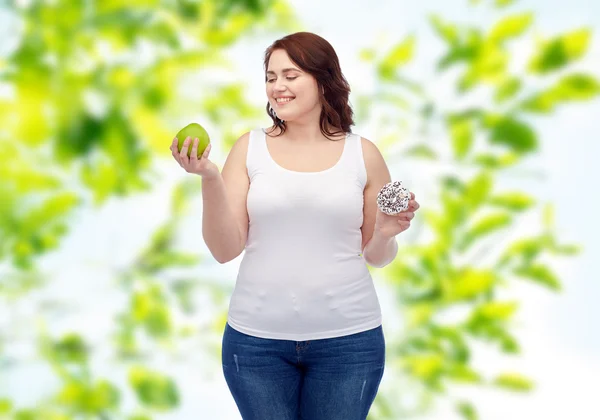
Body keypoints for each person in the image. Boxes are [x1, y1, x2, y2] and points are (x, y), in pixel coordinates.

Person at [170, 31, 420, 420]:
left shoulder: (363, 153)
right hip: (255, 346)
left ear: (323, 81)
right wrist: (209, 178)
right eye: (271, 77)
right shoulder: (248, 148)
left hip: (349, 344)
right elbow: (224, 250)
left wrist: (386, 233)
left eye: (290, 75)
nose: (277, 87)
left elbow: (377, 256)